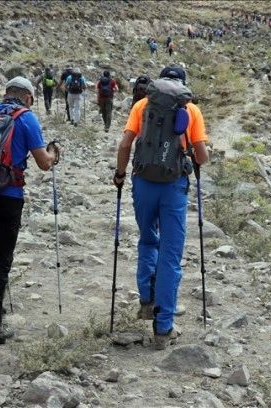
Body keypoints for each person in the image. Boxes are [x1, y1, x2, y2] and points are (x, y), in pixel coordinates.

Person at [113, 65, 209, 350]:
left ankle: (146, 302)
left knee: (147, 239)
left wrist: (119, 175)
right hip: (173, 187)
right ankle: (163, 327)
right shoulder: (190, 110)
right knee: (170, 255)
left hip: (143, 181)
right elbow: (201, 157)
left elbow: (125, 145)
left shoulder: (143, 104)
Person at [0, 77, 60, 347]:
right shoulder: (26, 117)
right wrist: (54, 153)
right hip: (8, 196)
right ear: (29, 97)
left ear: (5, 93)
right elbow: (44, 163)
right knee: (0, 257)